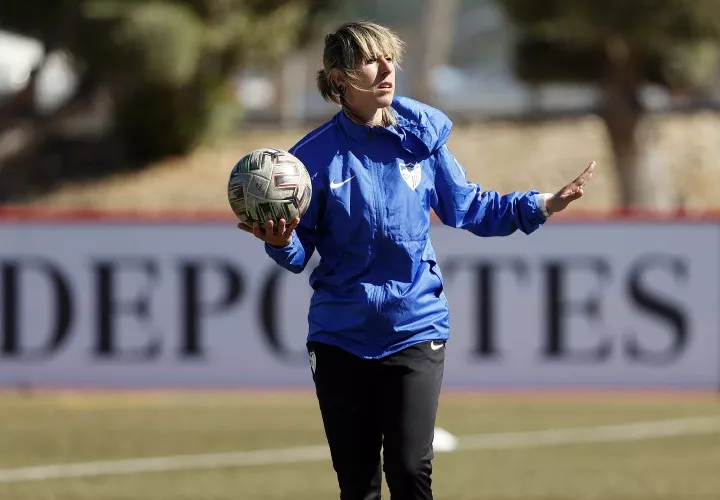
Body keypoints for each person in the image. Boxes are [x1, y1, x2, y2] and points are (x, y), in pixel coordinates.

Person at [238, 20, 595, 500]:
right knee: (358, 485)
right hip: (340, 336)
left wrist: (541, 204)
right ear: (339, 78)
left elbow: (469, 207)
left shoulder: (422, 138)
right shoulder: (310, 161)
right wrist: (279, 241)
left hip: (415, 327)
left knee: (409, 471)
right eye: (371, 59)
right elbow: (298, 254)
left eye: (391, 57)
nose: (387, 69)